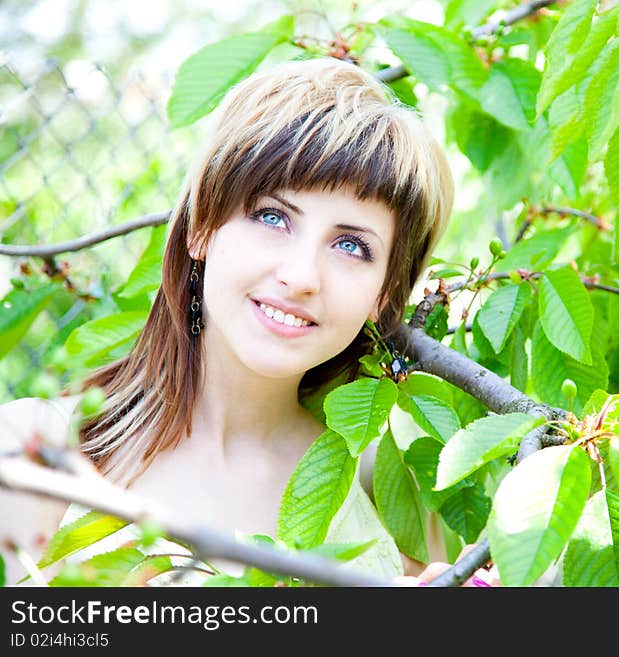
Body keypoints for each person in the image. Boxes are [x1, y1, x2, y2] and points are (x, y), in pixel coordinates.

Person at [0, 55, 473, 586]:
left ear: (385, 292)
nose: (301, 276)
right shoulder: (35, 450)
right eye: (272, 217)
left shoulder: (385, 481)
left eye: (350, 245)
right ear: (202, 226)